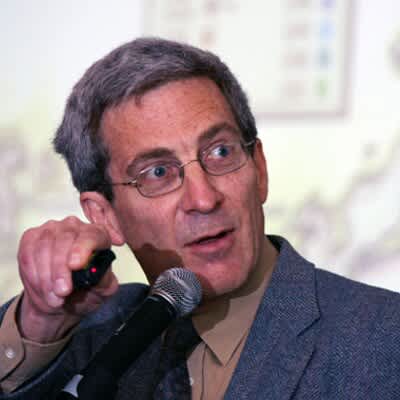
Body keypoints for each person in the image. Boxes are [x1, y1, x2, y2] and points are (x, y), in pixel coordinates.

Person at [0, 37, 399, 400]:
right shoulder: (89, 336)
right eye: (158, 172)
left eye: (221, 152)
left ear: (259, 169)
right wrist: (42, 320)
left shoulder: (384, 340)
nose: (204, 199)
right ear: (106, 216)